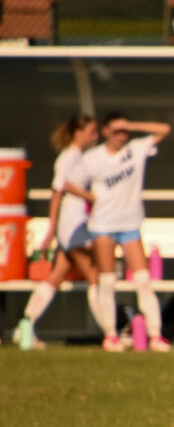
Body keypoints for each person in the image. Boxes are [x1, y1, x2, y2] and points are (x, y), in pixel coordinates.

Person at [65, 112, 171, 352]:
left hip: (130, 224)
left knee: (143, 281)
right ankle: (111, 335)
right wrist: (90, 196)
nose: (121, 135)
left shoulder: (135, 148)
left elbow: (164, 129)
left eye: (124, 131)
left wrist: (132, 123)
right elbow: (69, 184)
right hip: (103, 226)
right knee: (107, 280)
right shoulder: (93, 159)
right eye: (116, 130)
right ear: (105, 131)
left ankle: (155, 335)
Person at [15, 113, 111, 350]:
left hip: (74, 227)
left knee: (55, 277)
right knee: (94, 276)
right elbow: (58, 192)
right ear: (79, 133)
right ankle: (111, 333)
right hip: (72, 227)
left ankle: (24, 326)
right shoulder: (70, 158)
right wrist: (51, 230)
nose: (95, 137)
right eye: (92, 132)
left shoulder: (79, 157)